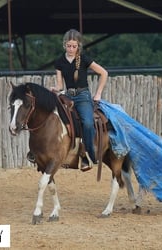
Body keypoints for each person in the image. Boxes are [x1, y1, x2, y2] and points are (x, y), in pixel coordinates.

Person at [33, 28, 107, 171]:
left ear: (78, 46)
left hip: (83, 96)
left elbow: (104, 73)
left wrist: (98, 93)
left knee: (87, 122)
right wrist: (55, 88)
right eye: (69, 46)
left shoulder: (84, 59)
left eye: (74, 46)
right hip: (67, 96)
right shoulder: (59, 62)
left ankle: (90, 153)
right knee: (49, 117)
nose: (71, 49)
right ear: (64, 45)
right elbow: (61, 85)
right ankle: (39, 149)